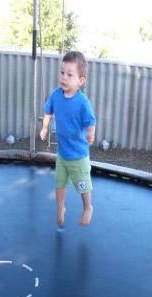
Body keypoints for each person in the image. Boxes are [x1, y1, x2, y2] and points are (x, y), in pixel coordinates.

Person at [40, 51, 96, 226]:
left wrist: (91, 133)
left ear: (81, 80)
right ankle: (60, 208)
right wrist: (44, 127)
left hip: (78, 156)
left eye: (69, 75)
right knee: (59, 184)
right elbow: (48, 111)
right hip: (62, 155)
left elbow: (91, 121)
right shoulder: (56, 95)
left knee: (82, 185)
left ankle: (88, 207)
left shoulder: (82, 102)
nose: (64, 77)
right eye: (62, 73)